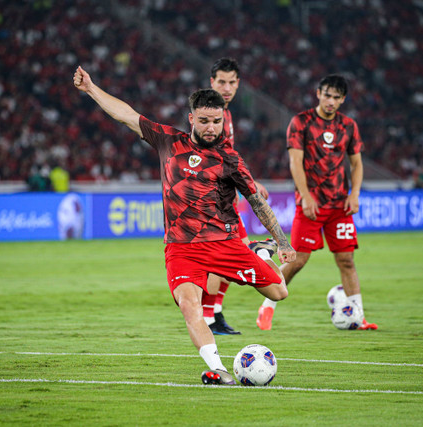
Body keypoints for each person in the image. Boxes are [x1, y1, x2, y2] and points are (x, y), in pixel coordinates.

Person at [73, 65, 295, 384]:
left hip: (223, 244)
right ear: (191, 118)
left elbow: (258, 202)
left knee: (278, 292)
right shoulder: (167, 140)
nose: (210, 127)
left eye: (216, 121)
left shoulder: (229, 158)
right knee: (190, 305)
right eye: (203, 120)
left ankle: (261, 253)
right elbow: (126, 115)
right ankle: (217, 369)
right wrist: (92, 89)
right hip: (181, 248)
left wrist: (282, 242)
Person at [256, 74, 378, 331]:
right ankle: (268, 306)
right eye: (327, 95)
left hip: (339, 206)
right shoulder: (301, 122)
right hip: (310, 205)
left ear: (343, 99)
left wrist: (354, 193)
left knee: (346, 260)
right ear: (318, 94)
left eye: (336, 97)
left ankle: (358, 316)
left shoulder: (348, 126)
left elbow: (356, 164)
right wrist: (306, 195)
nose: (331, 101)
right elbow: (295, 162)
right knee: (297, 260)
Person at [202, 57, 271, 335]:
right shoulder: (206, 114)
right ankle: (209, 317)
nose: (227, 87)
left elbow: (228, 158)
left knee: (234, 252)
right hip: (211, 200)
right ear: (212, 82)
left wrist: (249, 181)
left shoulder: (226, 115)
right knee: (229, 253)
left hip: (225, 198)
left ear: (238, 84)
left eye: (232, 82)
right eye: (221, 82)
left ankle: (214, 314)